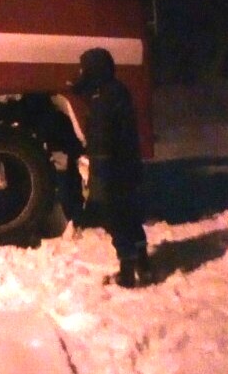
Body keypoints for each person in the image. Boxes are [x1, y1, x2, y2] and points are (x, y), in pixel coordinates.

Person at [72, 47, 152, 287]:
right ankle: (142, 262)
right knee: (129, 215)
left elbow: (103, 137)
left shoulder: (103, 98)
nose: (81, 72)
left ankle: (127, 273)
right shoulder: (114, 90)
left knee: (115, 218)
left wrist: (100, 172)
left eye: (84, 68)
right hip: (126, 166)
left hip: (111, 168)